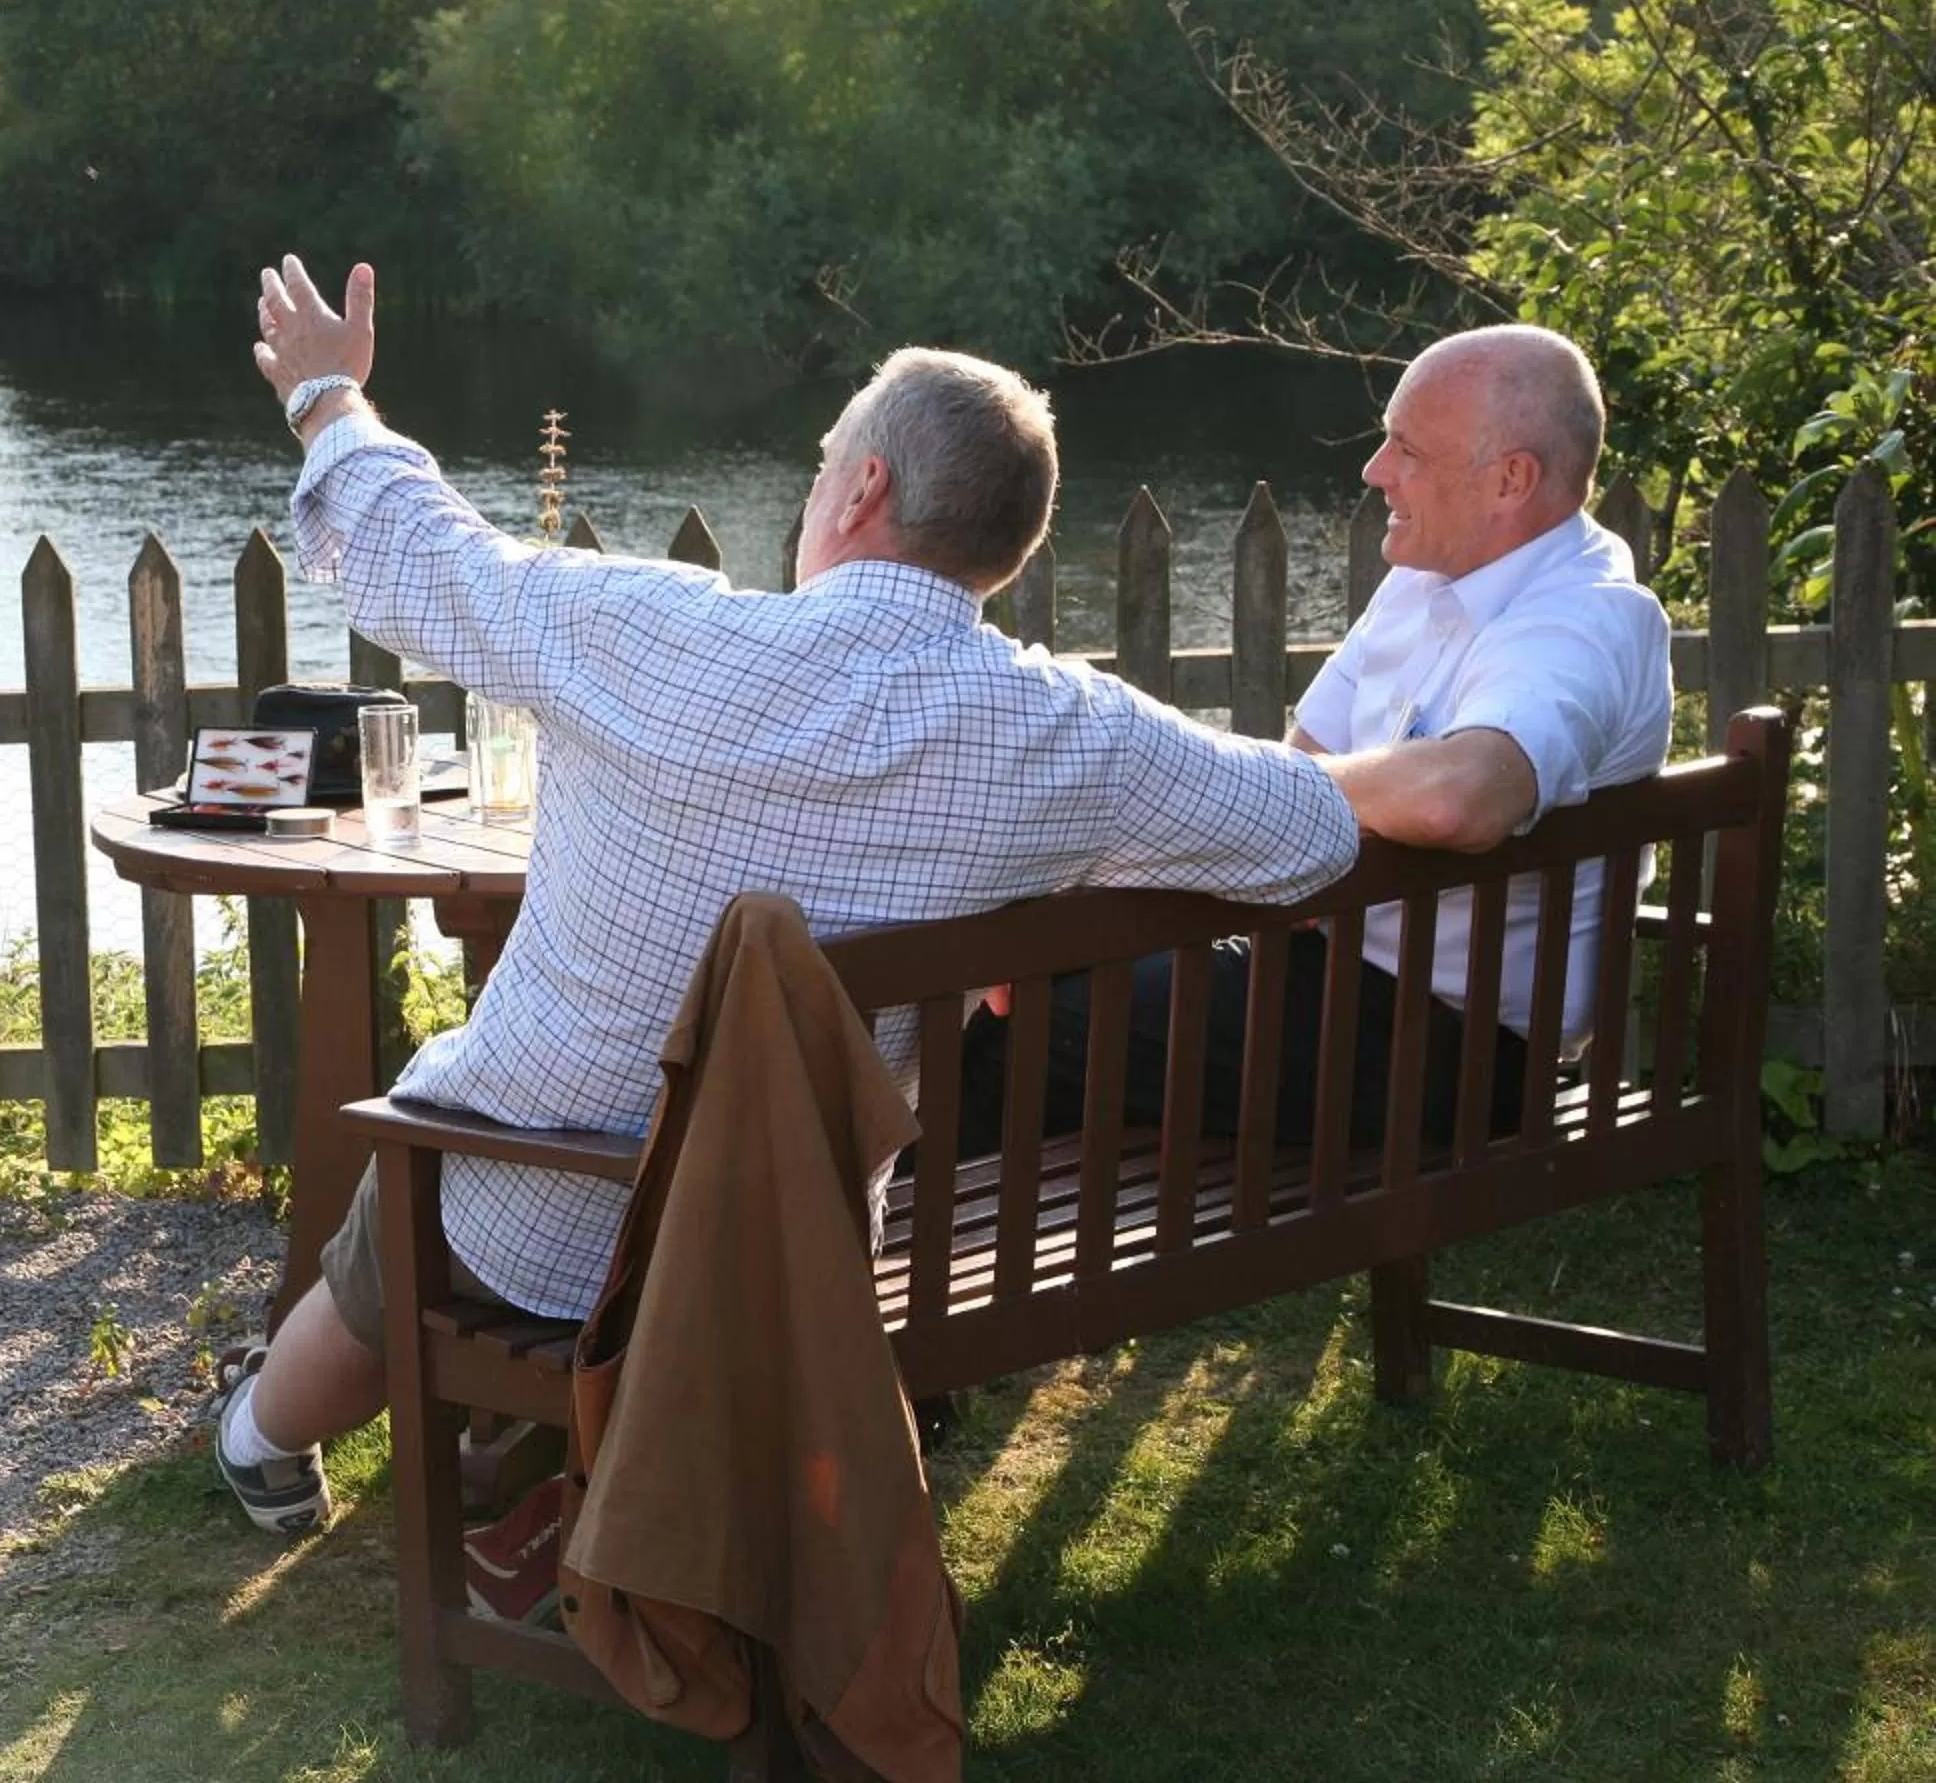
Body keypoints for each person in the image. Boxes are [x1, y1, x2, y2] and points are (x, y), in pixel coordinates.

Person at [210, 255, 1362, 1538]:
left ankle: (262, 1440)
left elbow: (426, 559)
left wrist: (329, 400)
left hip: (532, 1198)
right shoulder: (1060, 731)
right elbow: (1307, 831)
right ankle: (531, 1460)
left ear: (863, 489)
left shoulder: (651, 630)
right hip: (784, 1246)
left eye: (824, 462)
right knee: (489, 1160)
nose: (817, 485)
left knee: (411, 1194)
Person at [955, 322, 1675, 1157]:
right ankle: (905, 1249)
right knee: (1036, 972)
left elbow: (1459, 797)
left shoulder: (1583, 620)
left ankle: (886, 1263)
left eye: (1407, 449)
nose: (1375, 472)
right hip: (1335, 986)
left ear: (1511, 479)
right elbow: (1301, 765)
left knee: (1037, 1014)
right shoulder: (1424, 581)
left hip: (1450, 1051)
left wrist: (1280, 814)